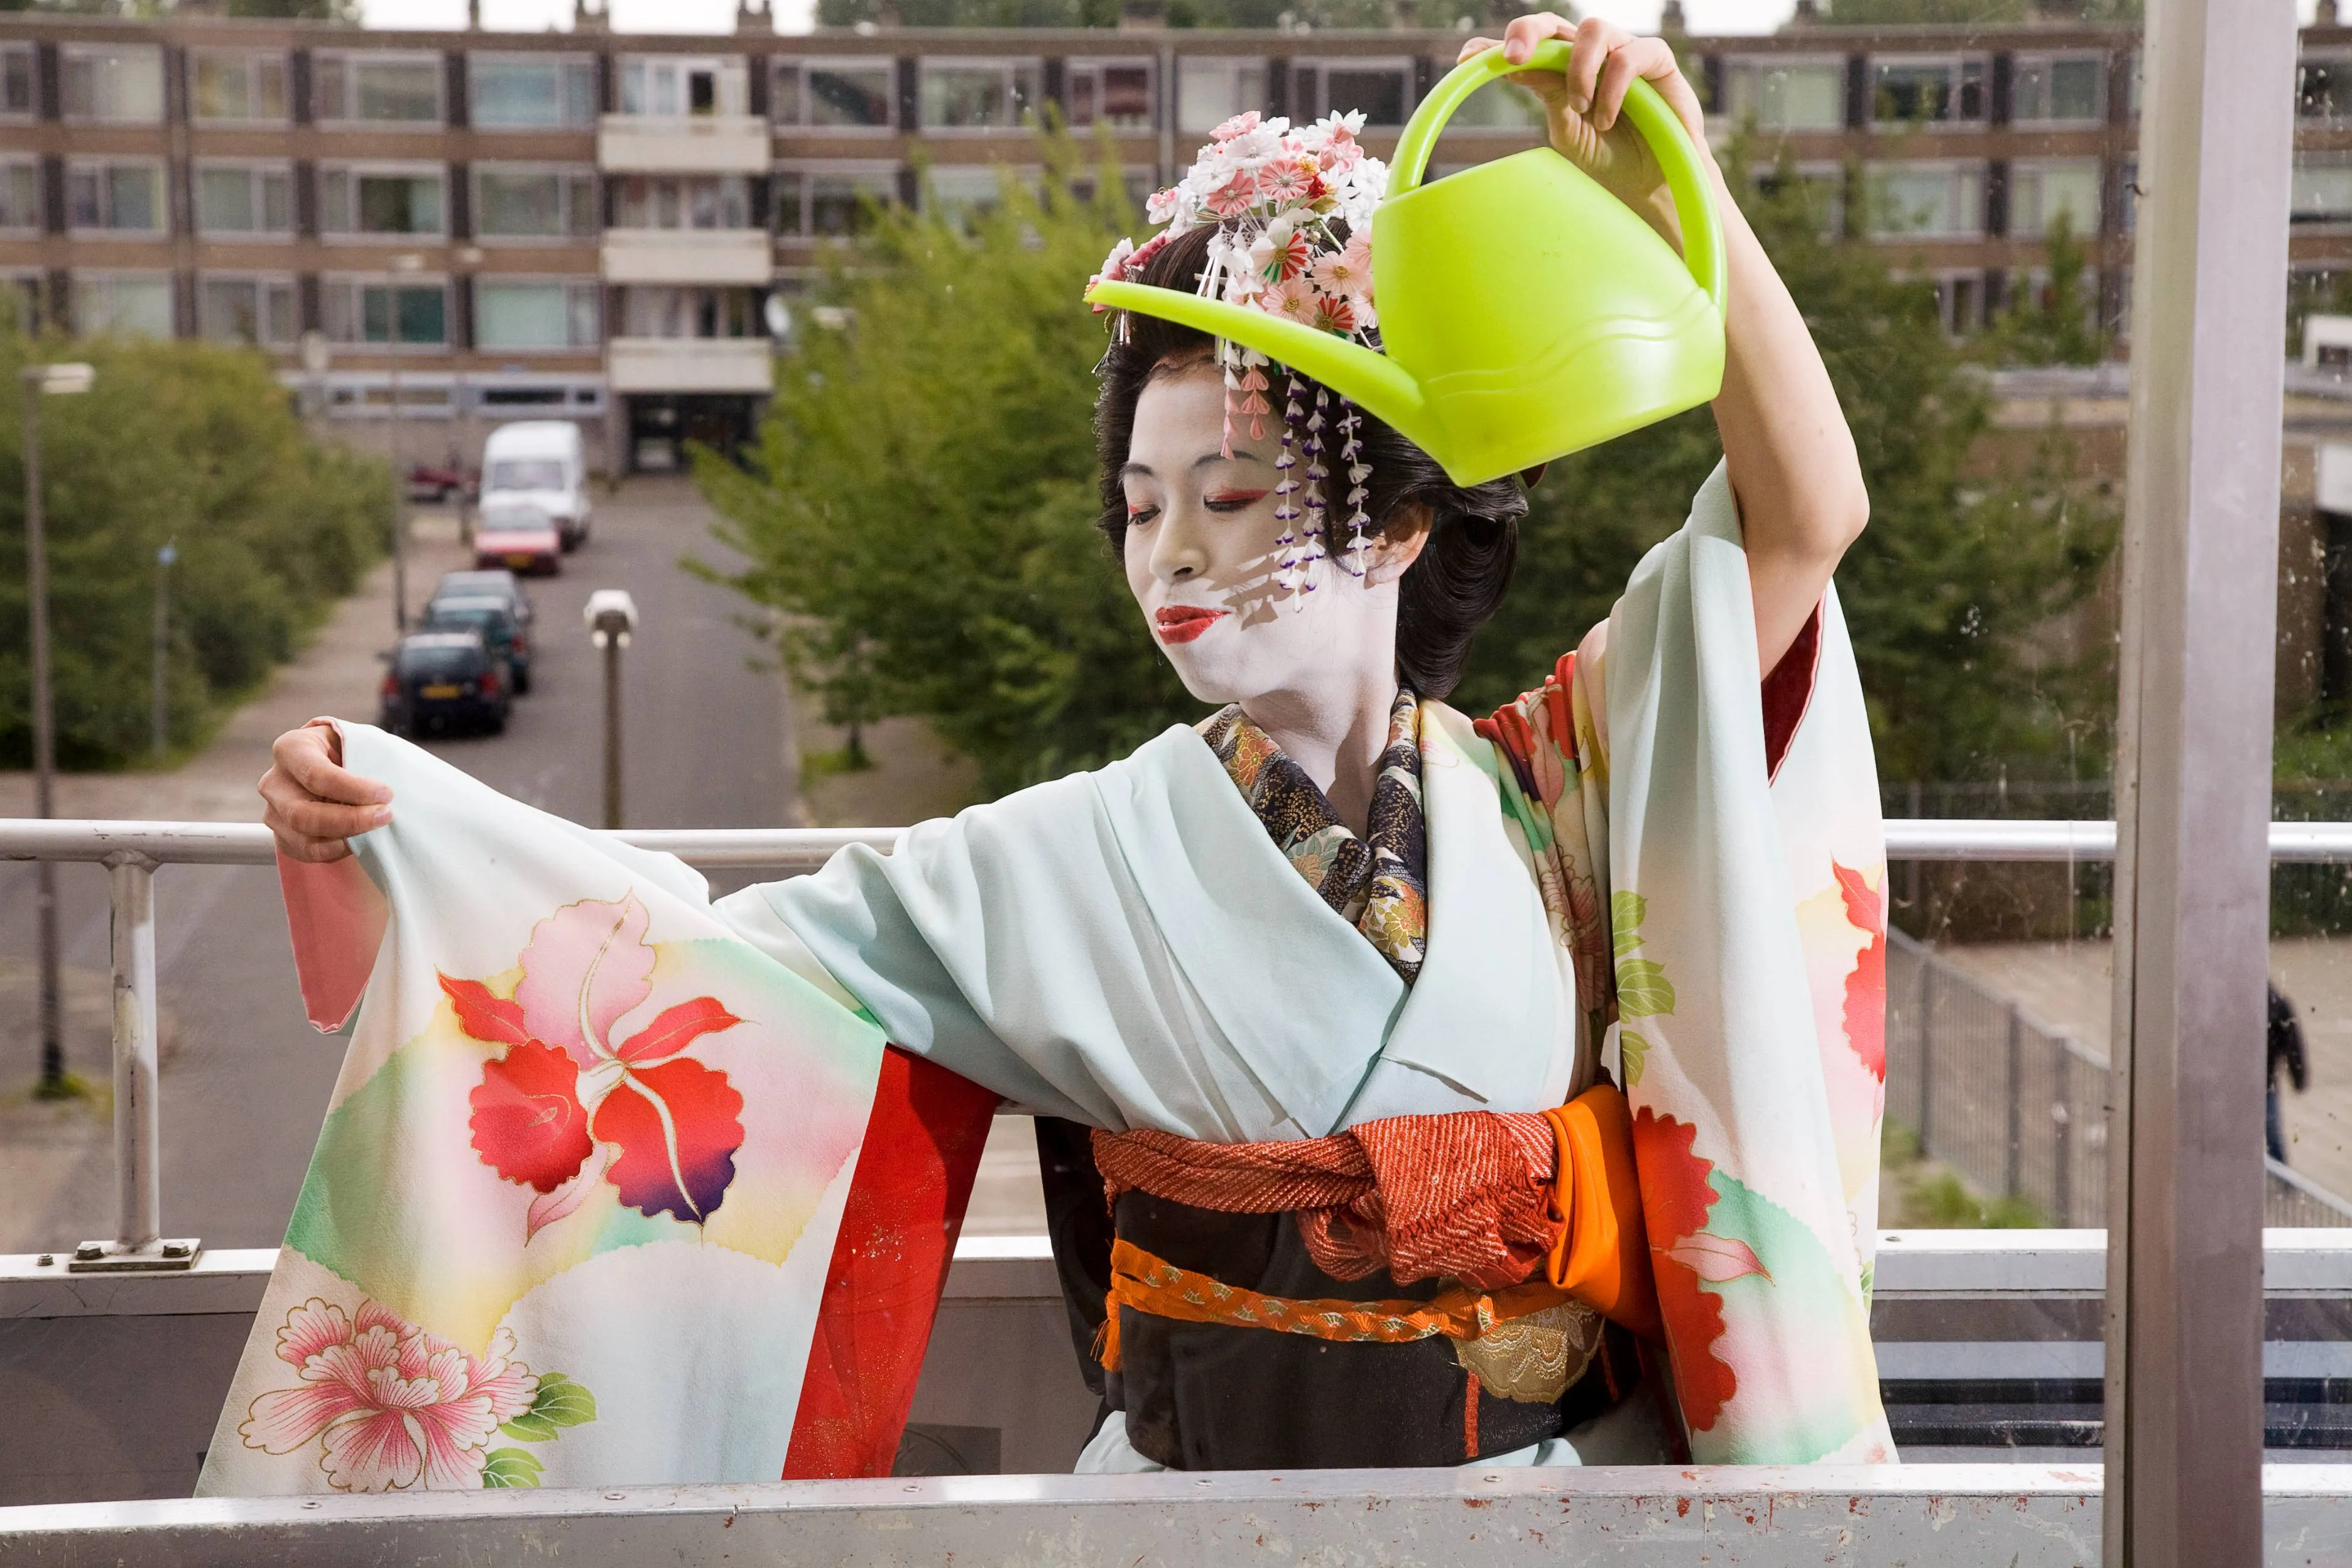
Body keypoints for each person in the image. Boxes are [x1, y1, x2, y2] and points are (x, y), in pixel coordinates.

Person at [256, 14, 1891, 1473]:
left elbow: (1807, 514)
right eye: (1140, 506)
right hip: (1203, 1514)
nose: (1170, 556)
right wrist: (401, 816)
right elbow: (674, 968)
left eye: (1232, 499)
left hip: (1537, 1496)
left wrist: (1681, 192)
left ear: (1400, 527)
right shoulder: (1061, 858)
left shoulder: (1550, 781)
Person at [2269, 981, 2310, 1165]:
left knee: (2272, 1133)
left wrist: (2299, 1077)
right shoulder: (2275, 1000)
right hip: (2264, 1083)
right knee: (2272, 1132)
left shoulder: (2275, 1001)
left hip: (2265, 1084)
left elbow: (2293, 1042)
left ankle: (2282, 1179)